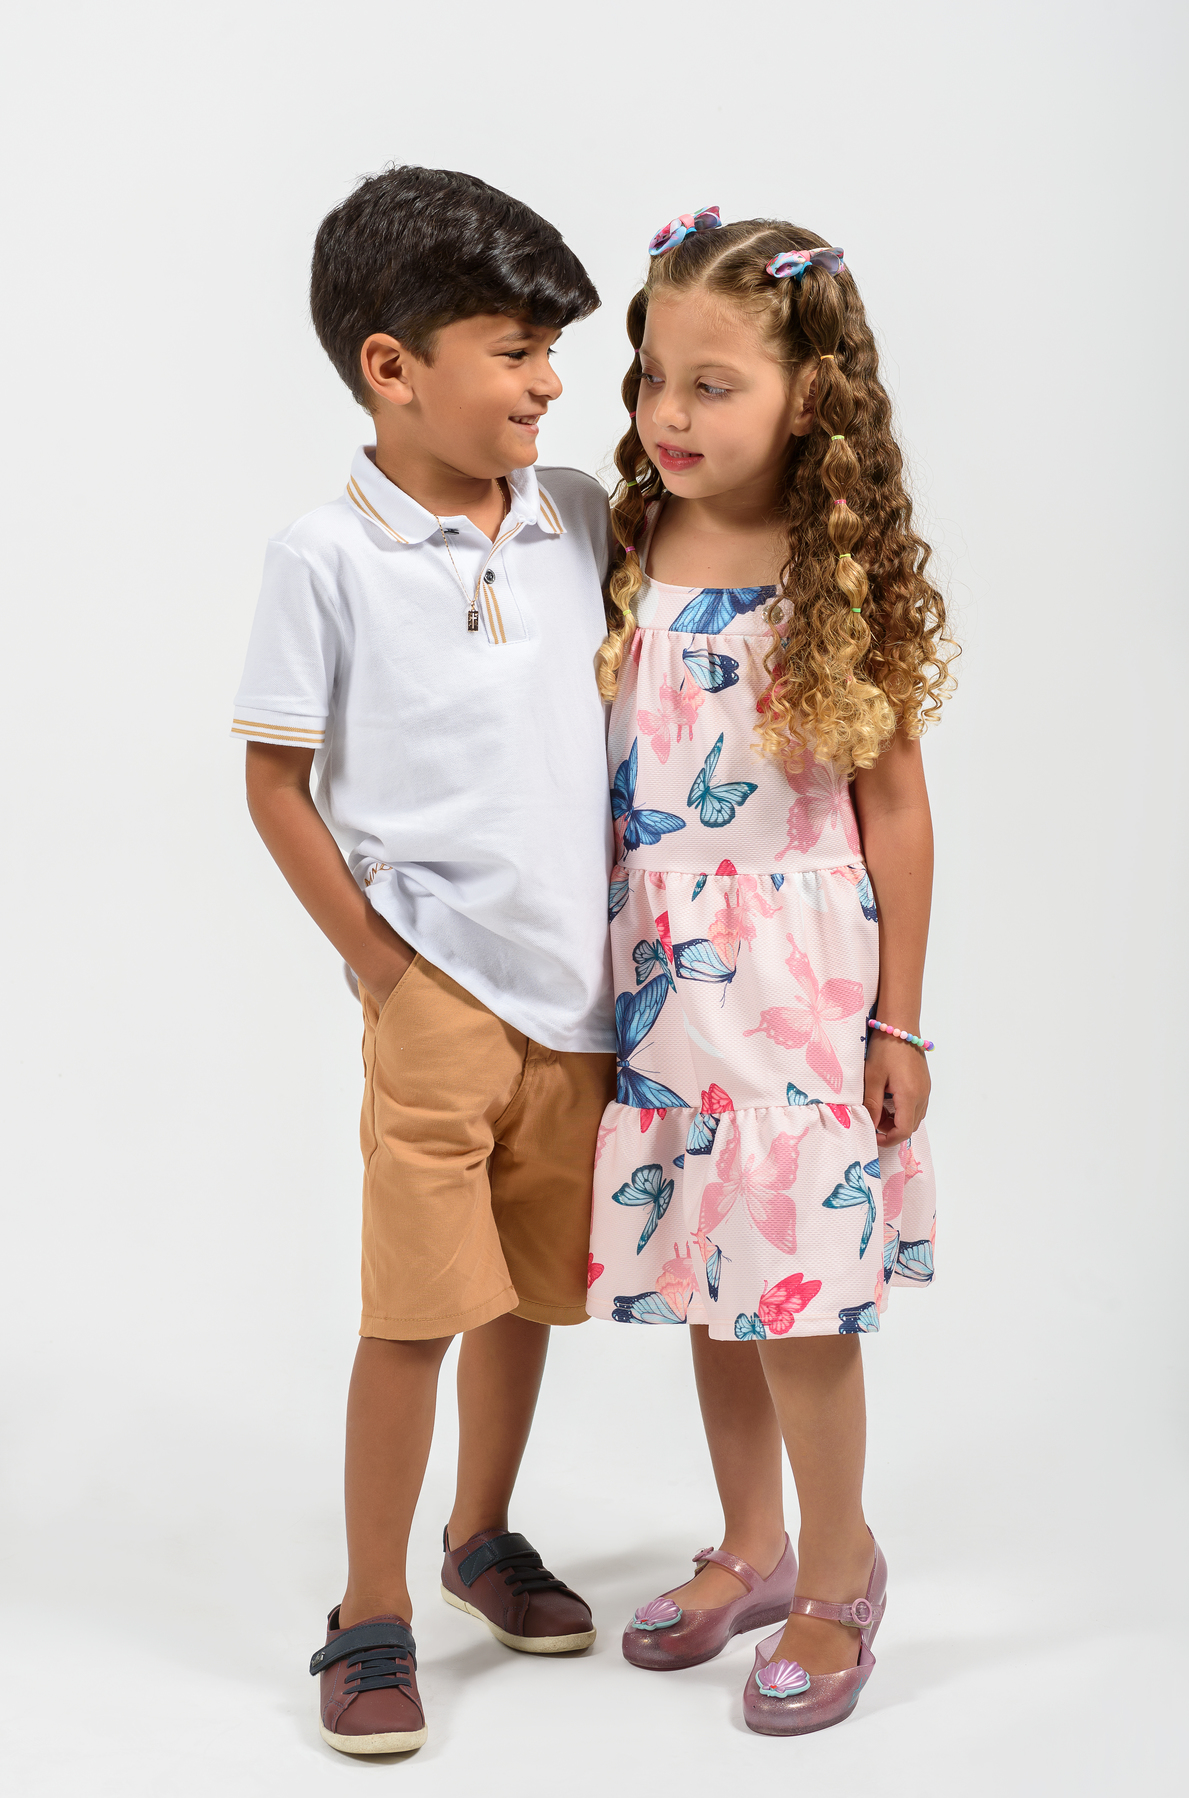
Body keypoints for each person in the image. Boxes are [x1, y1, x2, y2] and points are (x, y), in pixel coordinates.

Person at [232, 166, 617, 1755]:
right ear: (391, 367)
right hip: (440, 995)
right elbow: (274, 781)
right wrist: (388, 971)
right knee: (412, 1307)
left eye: (553, 351)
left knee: (522, 1292)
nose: (550, 382)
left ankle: (481, 1534)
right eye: (516, 350)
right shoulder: (325, 554)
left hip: (581, 997)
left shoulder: (577, 514)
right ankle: (369, 1607)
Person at [587, 206, 956, 1736]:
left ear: (809, 397)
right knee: (707, 1271)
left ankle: (841, 1567)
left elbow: (898, 811)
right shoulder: (630, 547)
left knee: (797, 1300)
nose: (669, 413)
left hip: (795, 988)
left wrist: (900, 1021)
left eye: (713, 383)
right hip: (662, 978)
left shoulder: (829, 570)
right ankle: (752, 1541)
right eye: (653, 379)